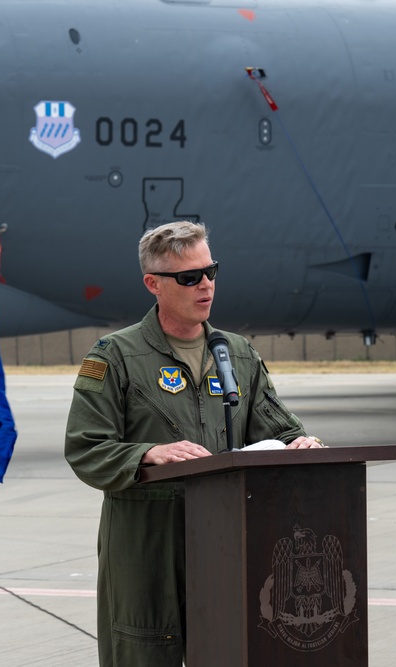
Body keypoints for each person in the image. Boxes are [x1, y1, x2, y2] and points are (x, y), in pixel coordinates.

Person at [64, 220, 325, 666]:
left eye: (211, 272)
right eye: (189, 277)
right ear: (154, 284)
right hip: (148, 547)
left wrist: (301, 443)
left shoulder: (238, 355)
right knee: (143, 652)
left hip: (227, 539)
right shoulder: (115, 356)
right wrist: (146, 453)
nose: (205, 285)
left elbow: (277, 429)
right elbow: (86, 446)